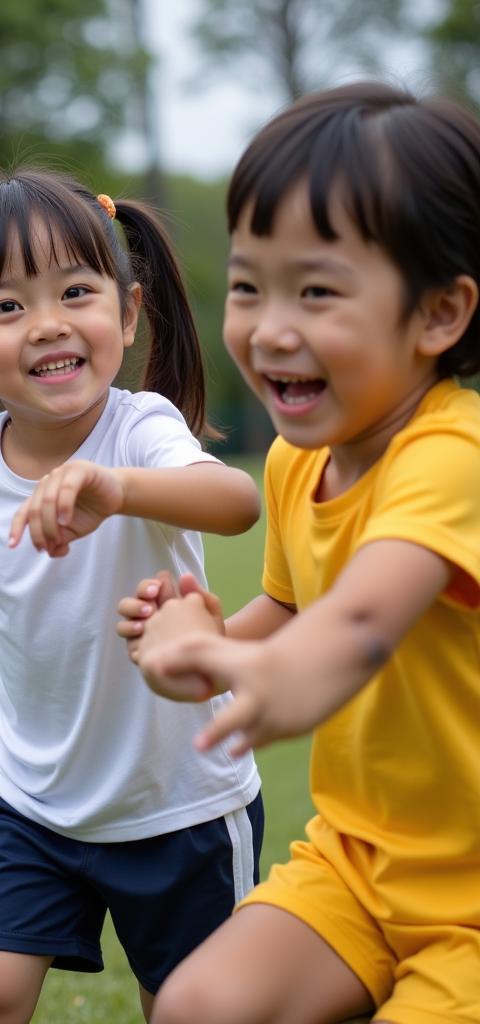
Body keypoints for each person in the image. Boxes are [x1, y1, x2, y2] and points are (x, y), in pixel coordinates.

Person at [120, 83, 480, 1024]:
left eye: (316, 290)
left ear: (440, 314)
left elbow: (356, 626)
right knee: (195, 1005)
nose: (270, 327)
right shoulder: (294, 460)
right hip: (357, 861)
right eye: (249, 286)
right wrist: (198, 645)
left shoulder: (452, 457)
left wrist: (268, 674)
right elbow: (287, 619)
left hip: (475, 900)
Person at [0, 168, 265, 1024]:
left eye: (75, 292)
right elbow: (1, 545)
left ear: (125, 313)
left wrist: (115, 489)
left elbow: (235, 503)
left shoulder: (142, 426)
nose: (48, 324)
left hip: (180, 801)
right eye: (7, 306)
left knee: (191, 1010)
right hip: (32, 797)